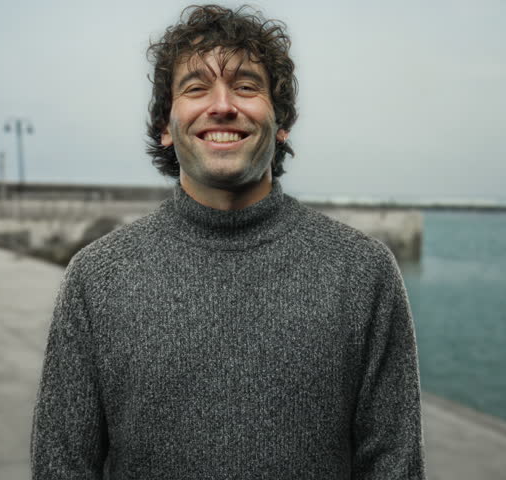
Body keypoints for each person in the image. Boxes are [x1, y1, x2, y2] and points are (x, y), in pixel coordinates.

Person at [31, 5, 426, 479]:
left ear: (281, 125)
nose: (222, 105)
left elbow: (394, 466)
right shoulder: (95, 279)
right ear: (165, 128)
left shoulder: (362, 272)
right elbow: (62, 466)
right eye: (196, 88)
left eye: (246, 85)